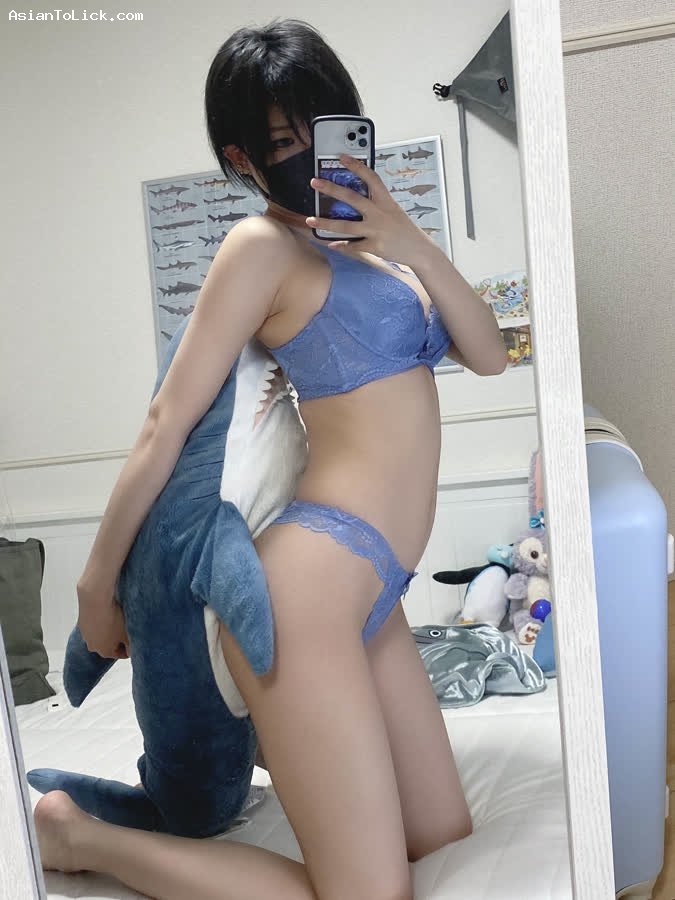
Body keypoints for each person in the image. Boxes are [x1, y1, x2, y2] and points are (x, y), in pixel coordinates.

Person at [33, 17, 507, 900]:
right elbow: (165, 424)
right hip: (305, 591)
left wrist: (406, 237)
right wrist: (96, 587)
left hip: (376, 587)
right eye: (284, 143)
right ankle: (79, 838)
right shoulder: (260, 249)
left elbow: (488, 354)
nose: (309, 157)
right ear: (241, 157)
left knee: (441, 832)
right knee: (370, 894)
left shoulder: (381, 253)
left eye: (323, 129)